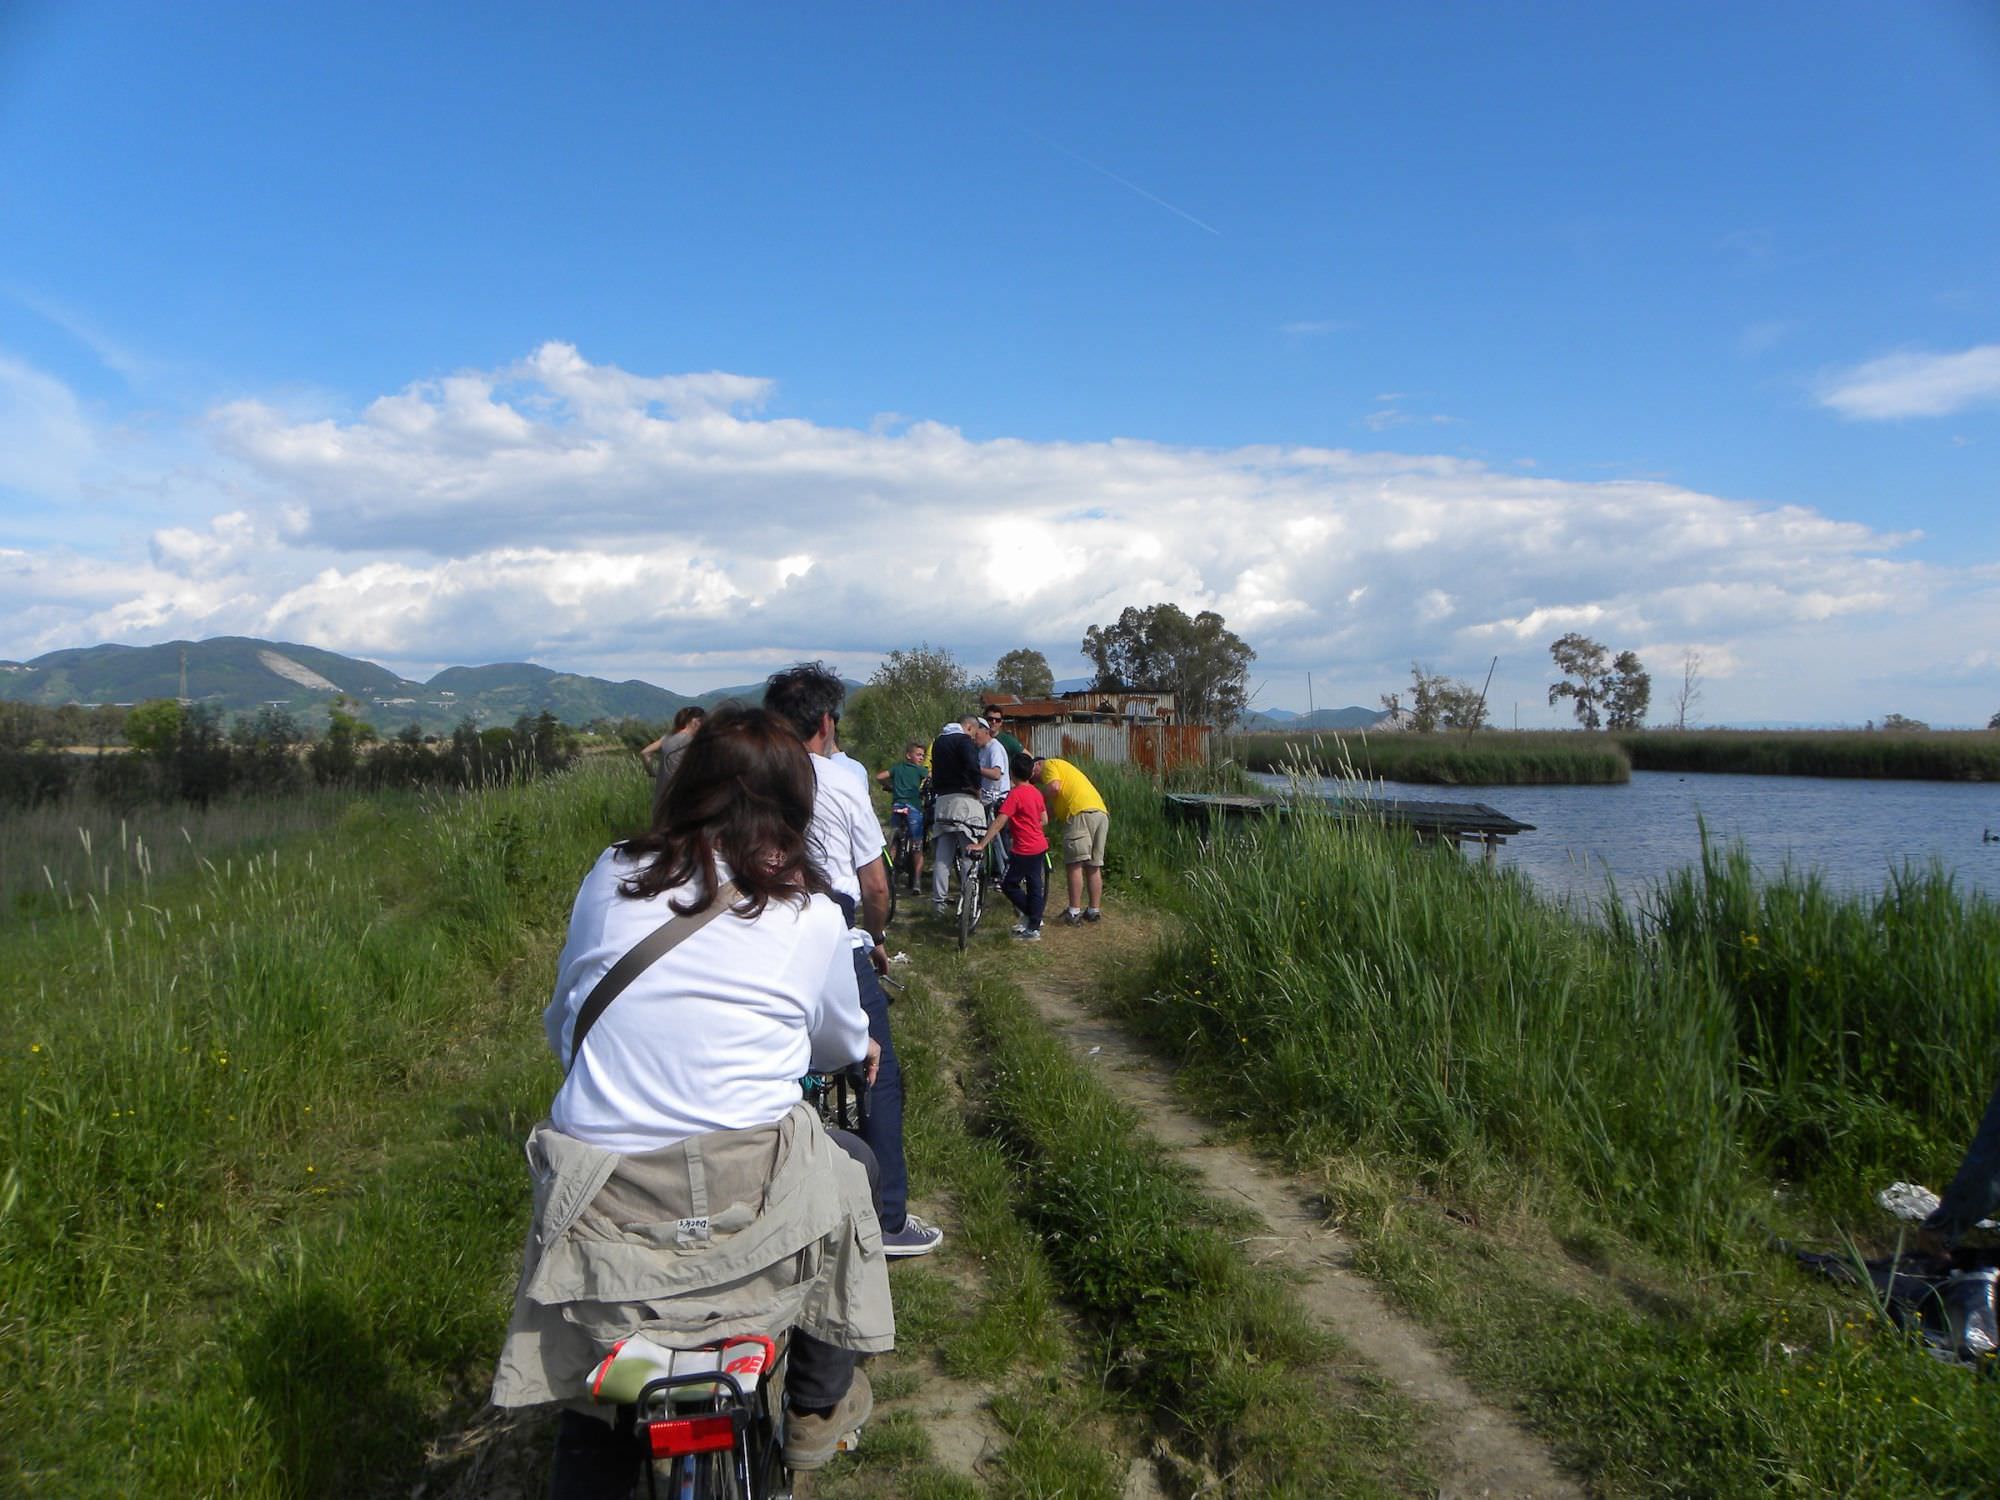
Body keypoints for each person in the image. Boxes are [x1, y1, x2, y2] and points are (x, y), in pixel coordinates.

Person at [490, 707, 889, 1488]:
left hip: (608, 1199)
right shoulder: (806, 908)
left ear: (686, 785)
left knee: (593, 1402)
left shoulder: (612, 873)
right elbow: (839, 1042)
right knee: (856, 1167)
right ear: (795, 806)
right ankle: (814, 1406)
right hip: (756, 1205)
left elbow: (568, 1018)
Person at [764, 663, 944, 1258]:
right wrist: (877, 938)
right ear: (825, 722)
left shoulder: (749, 778)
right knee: (879, 1075)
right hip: (835, 938)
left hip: (763, 942)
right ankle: (887, 1217)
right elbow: (875, 886)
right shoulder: (840, 782)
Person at [968, 750, 1049, 940]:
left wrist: (982, 844)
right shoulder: (1036, 793)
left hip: (1023, 848)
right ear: (1030, 774)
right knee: (1035, 885)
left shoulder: (1015, 794)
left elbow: (999, 822)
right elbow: (1044, 819)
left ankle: (1033, 920)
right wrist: (1031, 826)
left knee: (1008, 884)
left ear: (1011, 773)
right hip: (1039, 845)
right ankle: (1034, 922)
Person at [1034, 754, 1110, 925]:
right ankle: (1093, 911)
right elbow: (1053, 809)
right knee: (1093, 865)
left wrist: (1034, 796)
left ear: (1037, 764)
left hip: (1079, 813)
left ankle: (1073, 912)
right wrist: (1037, 823)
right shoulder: (1065, 772)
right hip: (1100, 813)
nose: (1035, 780)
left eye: (1034, 776)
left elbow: (1054, 787)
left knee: (1074, 864)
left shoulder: (1049, 765)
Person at [926, 717, 986, 916]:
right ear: (969, 727)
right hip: (964, 802)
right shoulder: (963, 741)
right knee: (969, 851)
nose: (973, 736)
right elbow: (972, 766)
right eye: (973, 731)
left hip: (943, 802)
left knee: (943, 857)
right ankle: (969, 899)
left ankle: (938, 904)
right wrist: (977, 786)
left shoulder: (939, 741)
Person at [875, 740, 928, 891]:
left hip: (898, 807)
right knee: (917, 844)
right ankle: (917, 881)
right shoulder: (919, 770)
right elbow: (929, 778)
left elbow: (879, 776)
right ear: (908, 755)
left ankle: (889, 874)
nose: (921, 758)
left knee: (894, 842)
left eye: (922, 756)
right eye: (918, 755)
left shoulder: (897, 769)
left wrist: (889, 787)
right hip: (913, 808)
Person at [639, 705, 705, 800]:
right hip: (681, 799)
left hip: (660, 800)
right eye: (703, 723)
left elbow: (645, 752)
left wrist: (651, 772)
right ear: (695, 722)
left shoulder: (667, 737)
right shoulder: (692, 741)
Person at [970, 713, 1011, 815]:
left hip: (997, 802)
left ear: (986, 731)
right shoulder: (981, 750)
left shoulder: (994, 748)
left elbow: (996, 774)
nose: (974, 738)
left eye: (976, 734)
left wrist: (975, 769)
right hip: (986, 801)